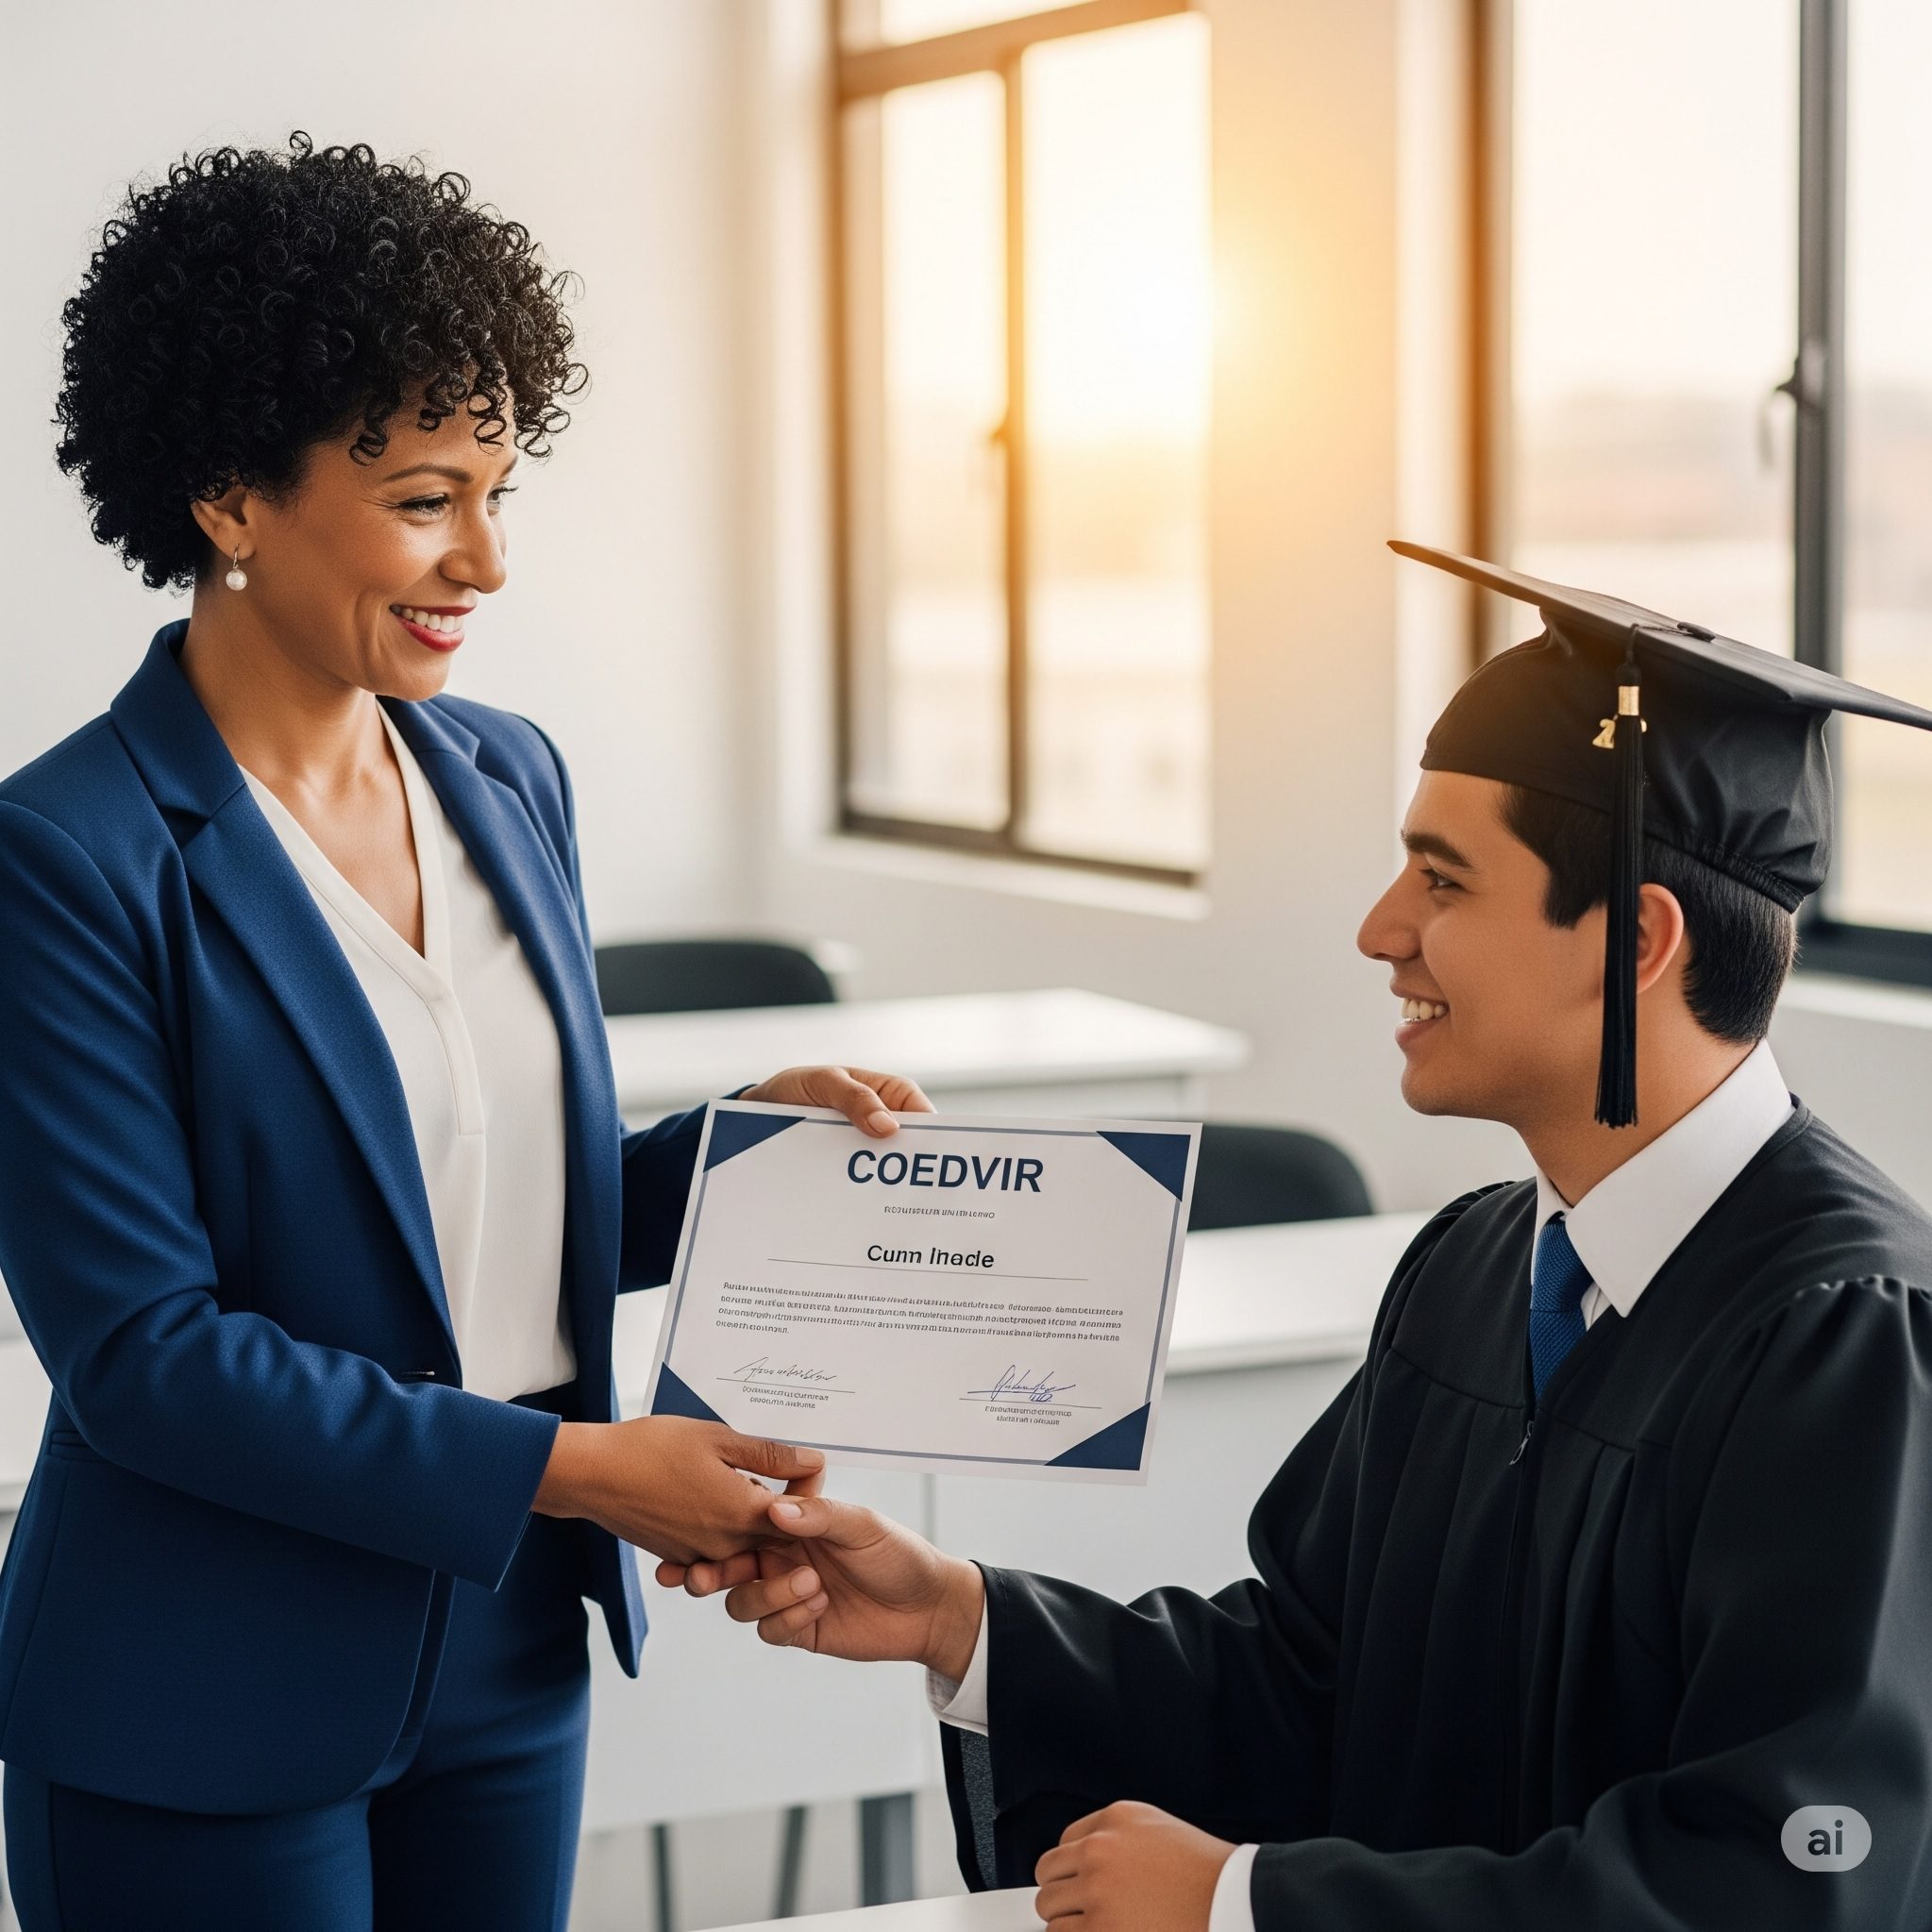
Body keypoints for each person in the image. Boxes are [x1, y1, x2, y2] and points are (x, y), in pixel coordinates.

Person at [665, 545, 1932, 1930]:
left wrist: (1251, 1906)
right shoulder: (1475, 1265)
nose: (1380, 930)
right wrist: (961, 1619)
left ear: (1634, 939)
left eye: (1443, 883)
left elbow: (1785, 1878)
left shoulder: (1843, 1338)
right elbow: (1315, 1682)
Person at [0, 133, 931, 1932]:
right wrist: (581, 1471)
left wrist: (738, 1162)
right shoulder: (67, 856)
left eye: (500, 490)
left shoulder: (507, 776)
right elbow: (148, 1355)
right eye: (428, 497)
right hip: (208, 1685)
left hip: (505, 1651)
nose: (485, 560)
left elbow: (481, 1203)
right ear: (225, 495)